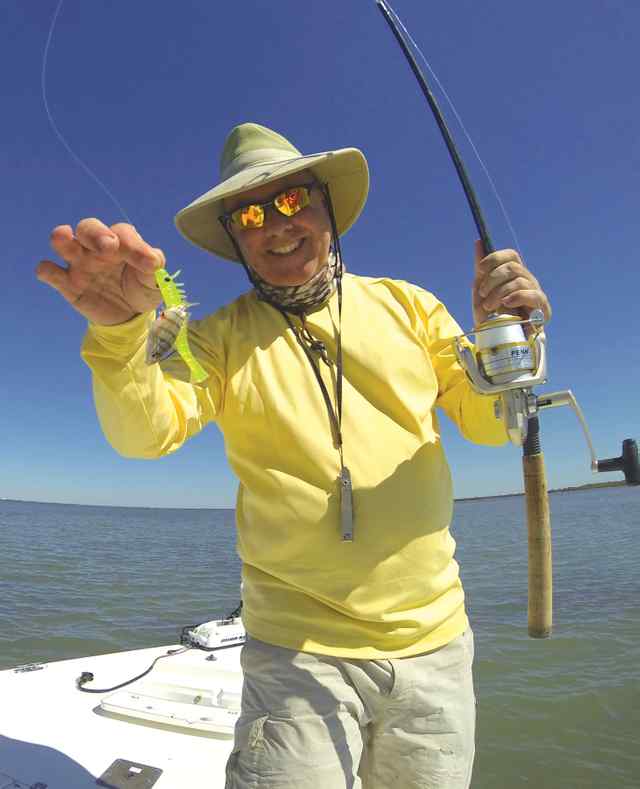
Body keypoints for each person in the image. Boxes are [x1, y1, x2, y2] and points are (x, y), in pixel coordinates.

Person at [37, 122, 551, 789]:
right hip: (295, 653)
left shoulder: (413, 308)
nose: (277, 224)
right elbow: (147, 432)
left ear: (327, 209)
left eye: (292, 201)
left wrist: (508, 340)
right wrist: (119, 336)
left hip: (435, 647)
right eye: (251, 213)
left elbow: (491, 425)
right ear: (236, 238)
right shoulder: (214, 340)